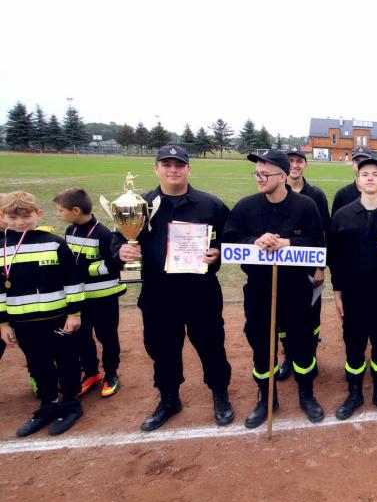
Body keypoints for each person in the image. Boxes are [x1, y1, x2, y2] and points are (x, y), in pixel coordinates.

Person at [113, 145, 234, 431]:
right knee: (162, 348)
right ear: (156, 168)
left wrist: (218, 253)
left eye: (179, 164)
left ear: (189, 169)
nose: (173, 170)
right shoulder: (138, 205)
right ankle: (169, 398)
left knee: (211, 344)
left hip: (201, 291)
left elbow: (231, 238)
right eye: (166, 164)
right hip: (158, 292)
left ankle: (220, 393)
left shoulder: (211, 205)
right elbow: (118, 240)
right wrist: (121, 252)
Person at [223, 149, 327, 428]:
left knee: (302, 346)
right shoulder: (245, 206)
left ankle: (306, 395)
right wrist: (254, 241)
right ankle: (267, 398)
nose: (259, 178)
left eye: (265, 174)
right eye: (256, 173)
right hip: (259, 289)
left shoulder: (305, 206)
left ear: (282, 176)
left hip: (297, 289)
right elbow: (230, 239)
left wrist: (289, 243)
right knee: (261, 347)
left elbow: (318, 242)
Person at [328, 157, 377, 420]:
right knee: (354, 346)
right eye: (365, 174)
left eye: (375, 174)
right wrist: (337, 292)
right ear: (358, 180)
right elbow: (335, 258)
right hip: (352, 295)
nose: (370, 178)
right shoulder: (342, 216)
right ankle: (354, 393)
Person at [1, 191, 85, 437]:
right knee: (38, 363)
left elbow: (72, 280)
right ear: (3, 217)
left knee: (67, 361)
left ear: (38, 215)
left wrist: (74, 313)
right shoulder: (1, 248)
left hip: (57, 318)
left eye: (25, 216)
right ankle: (48, 403)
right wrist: (3, 323)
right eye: (13, 217)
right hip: (23, 321)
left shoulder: (54, 243)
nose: (20, 222)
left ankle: (70, 403)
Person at [53, 188, 126, 398]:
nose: (58, 214)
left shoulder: (103, 234)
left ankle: (111, 374)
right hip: (81, 298)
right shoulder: (70, 230)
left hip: (104, 298)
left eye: (61, 210)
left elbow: (115, 264)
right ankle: (91, 372)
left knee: (107, 336)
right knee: (82, 338)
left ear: (76, 210)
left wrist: (84, 269)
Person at [277, 145, 329, 382]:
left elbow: (324, 233)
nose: (294, 165)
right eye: (290, 161)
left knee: (311, 316)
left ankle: (310, 354)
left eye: (299, 161)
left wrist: (320, 268)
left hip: (309, 270)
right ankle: (289, 355)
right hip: (282, 272)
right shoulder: (275, 192)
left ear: (305, 165)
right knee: (283, 317)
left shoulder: (316, 195)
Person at [331, 148, 377, 215]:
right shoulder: (341, 195)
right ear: (353, 165)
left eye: (365, 161)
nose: (361, 164)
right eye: (357, 161)